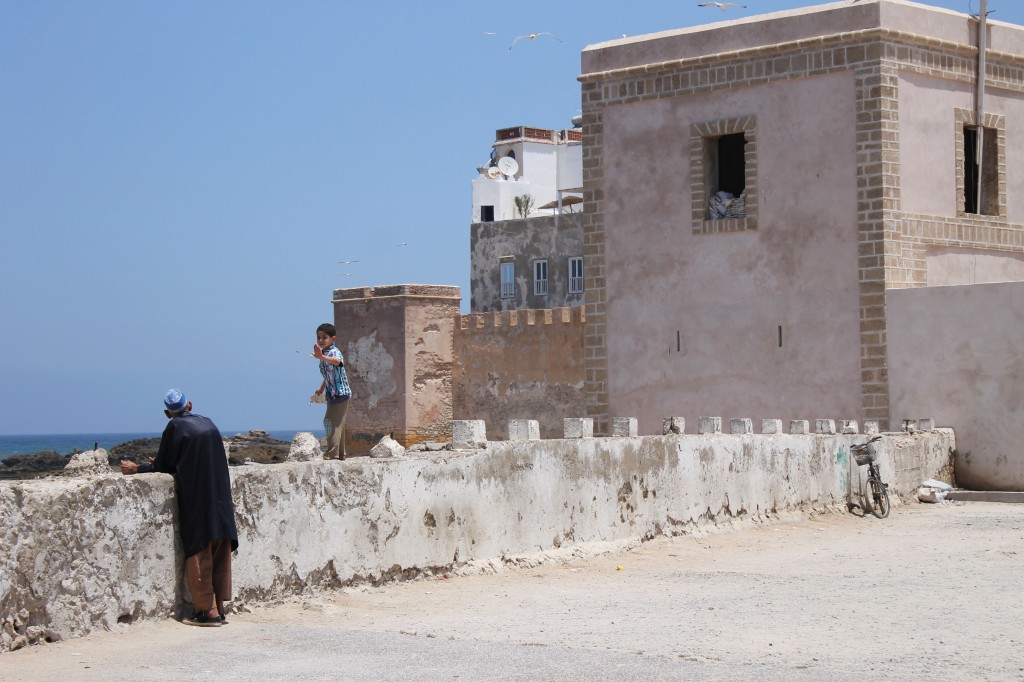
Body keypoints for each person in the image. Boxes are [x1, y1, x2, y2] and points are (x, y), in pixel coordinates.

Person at [120, 389, 239, 628]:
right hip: (221, 500)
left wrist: (137, 468)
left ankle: (207, 612)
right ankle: (221, 608)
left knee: (199, 554)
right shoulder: (208, 423)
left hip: (199, 501)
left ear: (167, 413)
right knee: (219, 553)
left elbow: (163, 466)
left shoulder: (175, 427)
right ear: (190, 405)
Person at [313, 322, 352, 460]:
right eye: (319, 338)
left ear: (333, 339)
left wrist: (322, 357)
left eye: (324, 337)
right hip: (331, 394)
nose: (321, 340)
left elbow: (338, 362)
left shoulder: (334, 353)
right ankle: (341, 453)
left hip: (341, 393)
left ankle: (331, 452)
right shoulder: (323, 355)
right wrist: (322, 388)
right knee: (338, 423)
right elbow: (329, 375)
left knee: (329, 422)